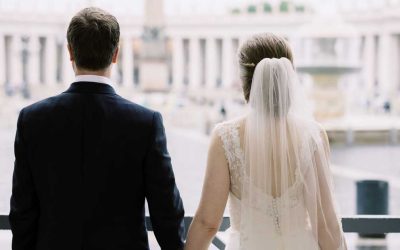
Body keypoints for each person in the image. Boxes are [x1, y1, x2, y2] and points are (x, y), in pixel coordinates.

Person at [9, 7, 185, 250]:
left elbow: (22, 213)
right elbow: (166, 214)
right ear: (116, 54)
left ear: (70, 52)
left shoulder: (32, 119)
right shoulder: (145, 123)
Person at [185, 33, 347, 250]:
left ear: (245, 80)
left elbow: (207, 223)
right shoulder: (313, 135)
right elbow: (326, 225)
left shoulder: (226, 138)